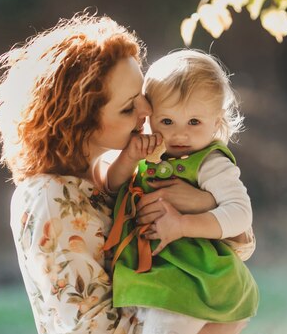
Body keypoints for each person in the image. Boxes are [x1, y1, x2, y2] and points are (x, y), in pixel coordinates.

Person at [0, 14, 243, 334]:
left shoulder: (121, 174)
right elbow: (90, 328)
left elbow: (240, 244)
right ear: (80, 121)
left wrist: (202, 201)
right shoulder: (50, 198)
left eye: (143, 97)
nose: (148, 112)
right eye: (128, 108)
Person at [102, 50, 259, 334]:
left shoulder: (211, 163)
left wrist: (184, 224)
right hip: (156, 278)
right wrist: (127, 160)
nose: (180, 134)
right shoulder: (145, 154)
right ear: (149, 117)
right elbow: (111, 188)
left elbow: (240, 214)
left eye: (194, 122)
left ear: (217, 121)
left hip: (196, 279)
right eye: (167, 121)